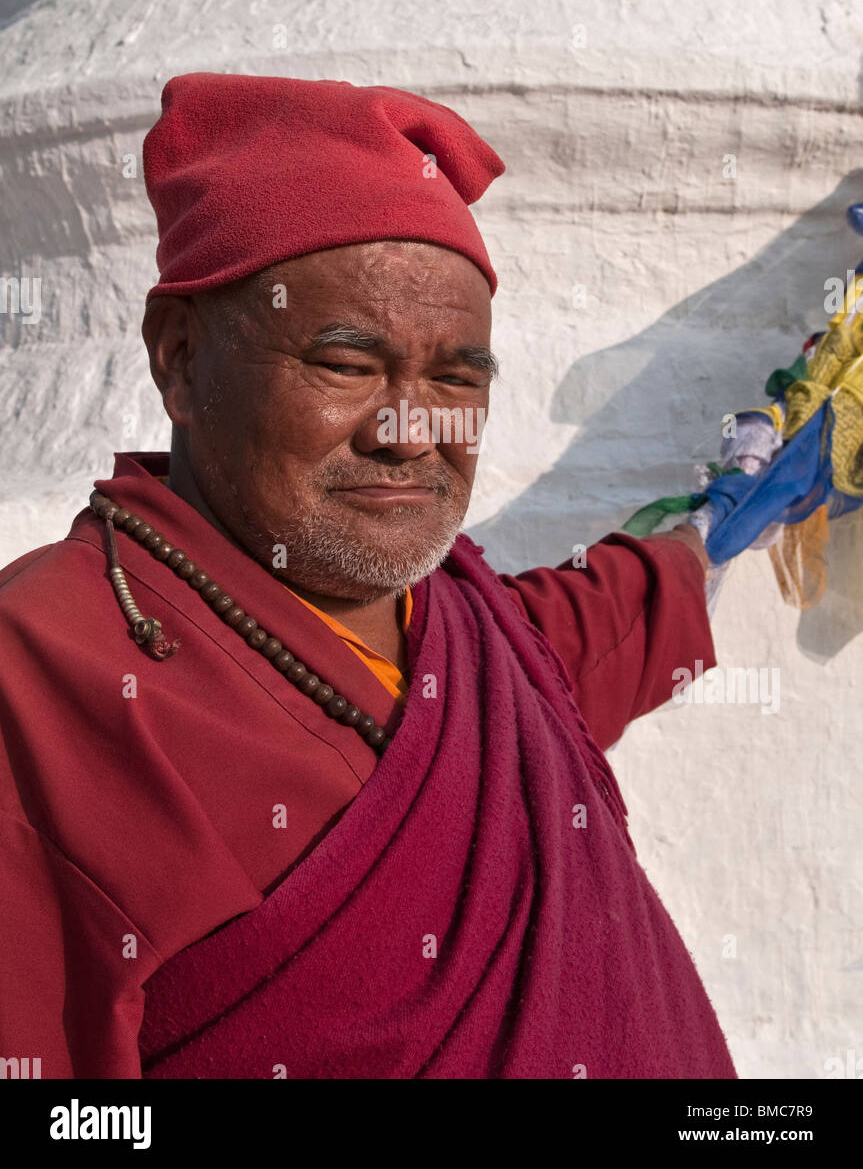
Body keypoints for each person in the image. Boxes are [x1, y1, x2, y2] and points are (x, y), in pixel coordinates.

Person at [0, 72, 735, 1079]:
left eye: (454, 378)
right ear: (178, 357)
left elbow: (595, 631)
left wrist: (731, 518)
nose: (408, 432)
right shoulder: (45, 675)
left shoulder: (473, 632)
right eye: (345, 367)